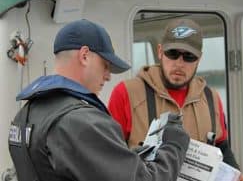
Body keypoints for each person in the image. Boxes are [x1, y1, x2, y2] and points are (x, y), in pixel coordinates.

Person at [8, 19, 190, 181]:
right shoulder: (81, 122)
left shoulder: (27, 114)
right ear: (85, 55)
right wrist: (174, 146)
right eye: (106, 65)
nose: (108, 76)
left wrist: (129, 155)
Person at [108, 18, 243, 181]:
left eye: (189, 56)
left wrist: (237, 174)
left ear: (199, 58)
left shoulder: (212, 98)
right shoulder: (125, 93)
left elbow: (221, 146)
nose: (179, 63)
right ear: (160, 51)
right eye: (172, 53)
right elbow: (110, 155)